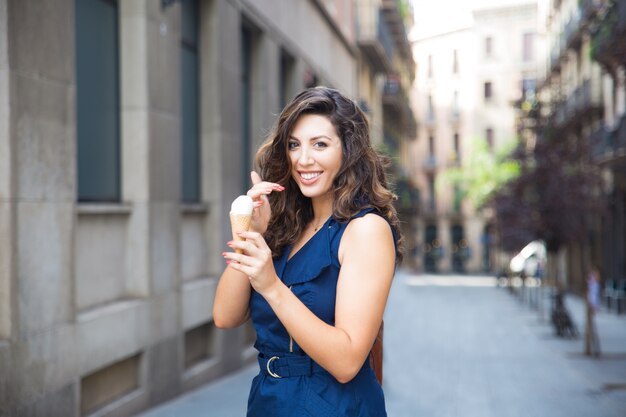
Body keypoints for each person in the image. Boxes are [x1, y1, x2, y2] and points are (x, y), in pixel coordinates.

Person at [213, 86, 402, 417]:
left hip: (333, 406)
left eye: (320, 144)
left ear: (349, 151)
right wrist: (249, 233)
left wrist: (271, 286)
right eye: (294, 145)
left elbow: (346, 361)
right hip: (269, 402)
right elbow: (225, 317)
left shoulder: (366, 230)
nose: (303, 159)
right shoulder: (286, 225)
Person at [585, 266, 601, 356]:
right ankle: (595, 348)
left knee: (594, 329)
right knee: (593, 329)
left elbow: (594, 297)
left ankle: (596, 349)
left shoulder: (594, 285)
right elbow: (592, 297)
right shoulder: (593, 284)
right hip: (592, 308)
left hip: (593, 308)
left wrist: (594, 307)